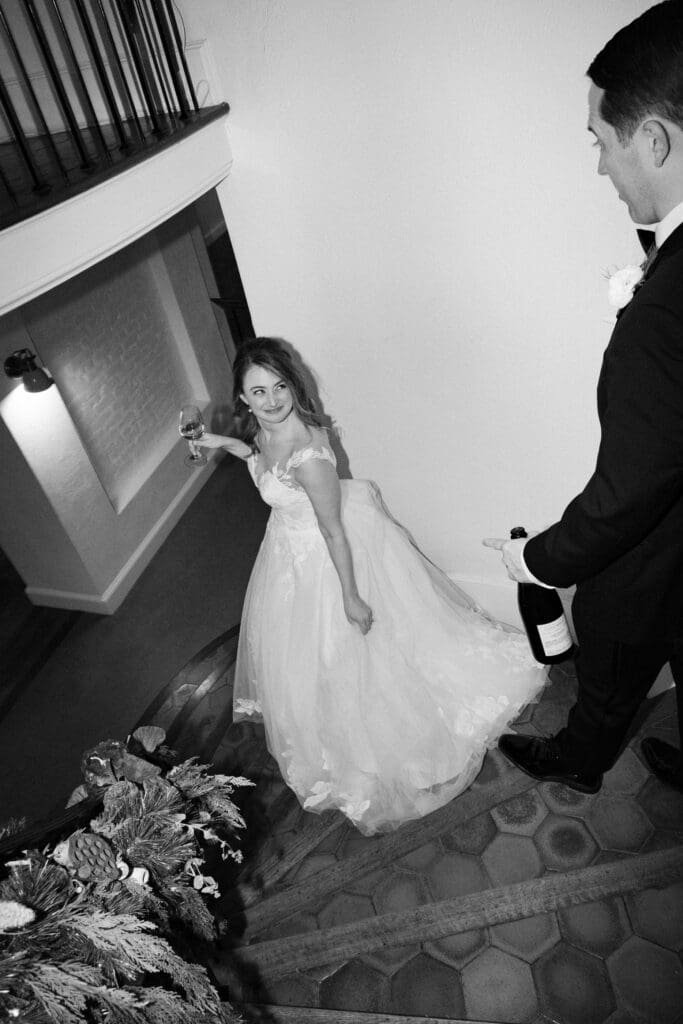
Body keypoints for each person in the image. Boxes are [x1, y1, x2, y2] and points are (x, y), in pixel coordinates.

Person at [198, 337, 547, 835]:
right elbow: (257, 458)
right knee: (308, 660)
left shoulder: (308, 453)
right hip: (289, 553)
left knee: (345, 655)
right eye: (258, 391)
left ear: (293, 387)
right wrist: (223, 444)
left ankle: (370, 744)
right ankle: (332, 731)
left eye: (279, 387)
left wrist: (350, 595)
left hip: (326, 559)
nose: (271, 400)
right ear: (243, 398)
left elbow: (333, 530)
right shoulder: (263, 432)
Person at [485, 0, 683, 797]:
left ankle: (580, 758)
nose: (599, 167)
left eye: (601, 142)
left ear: (654, 139)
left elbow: (628, 490)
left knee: (605, 641)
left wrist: (532, 558)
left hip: (658, 542)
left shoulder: (664, 313)